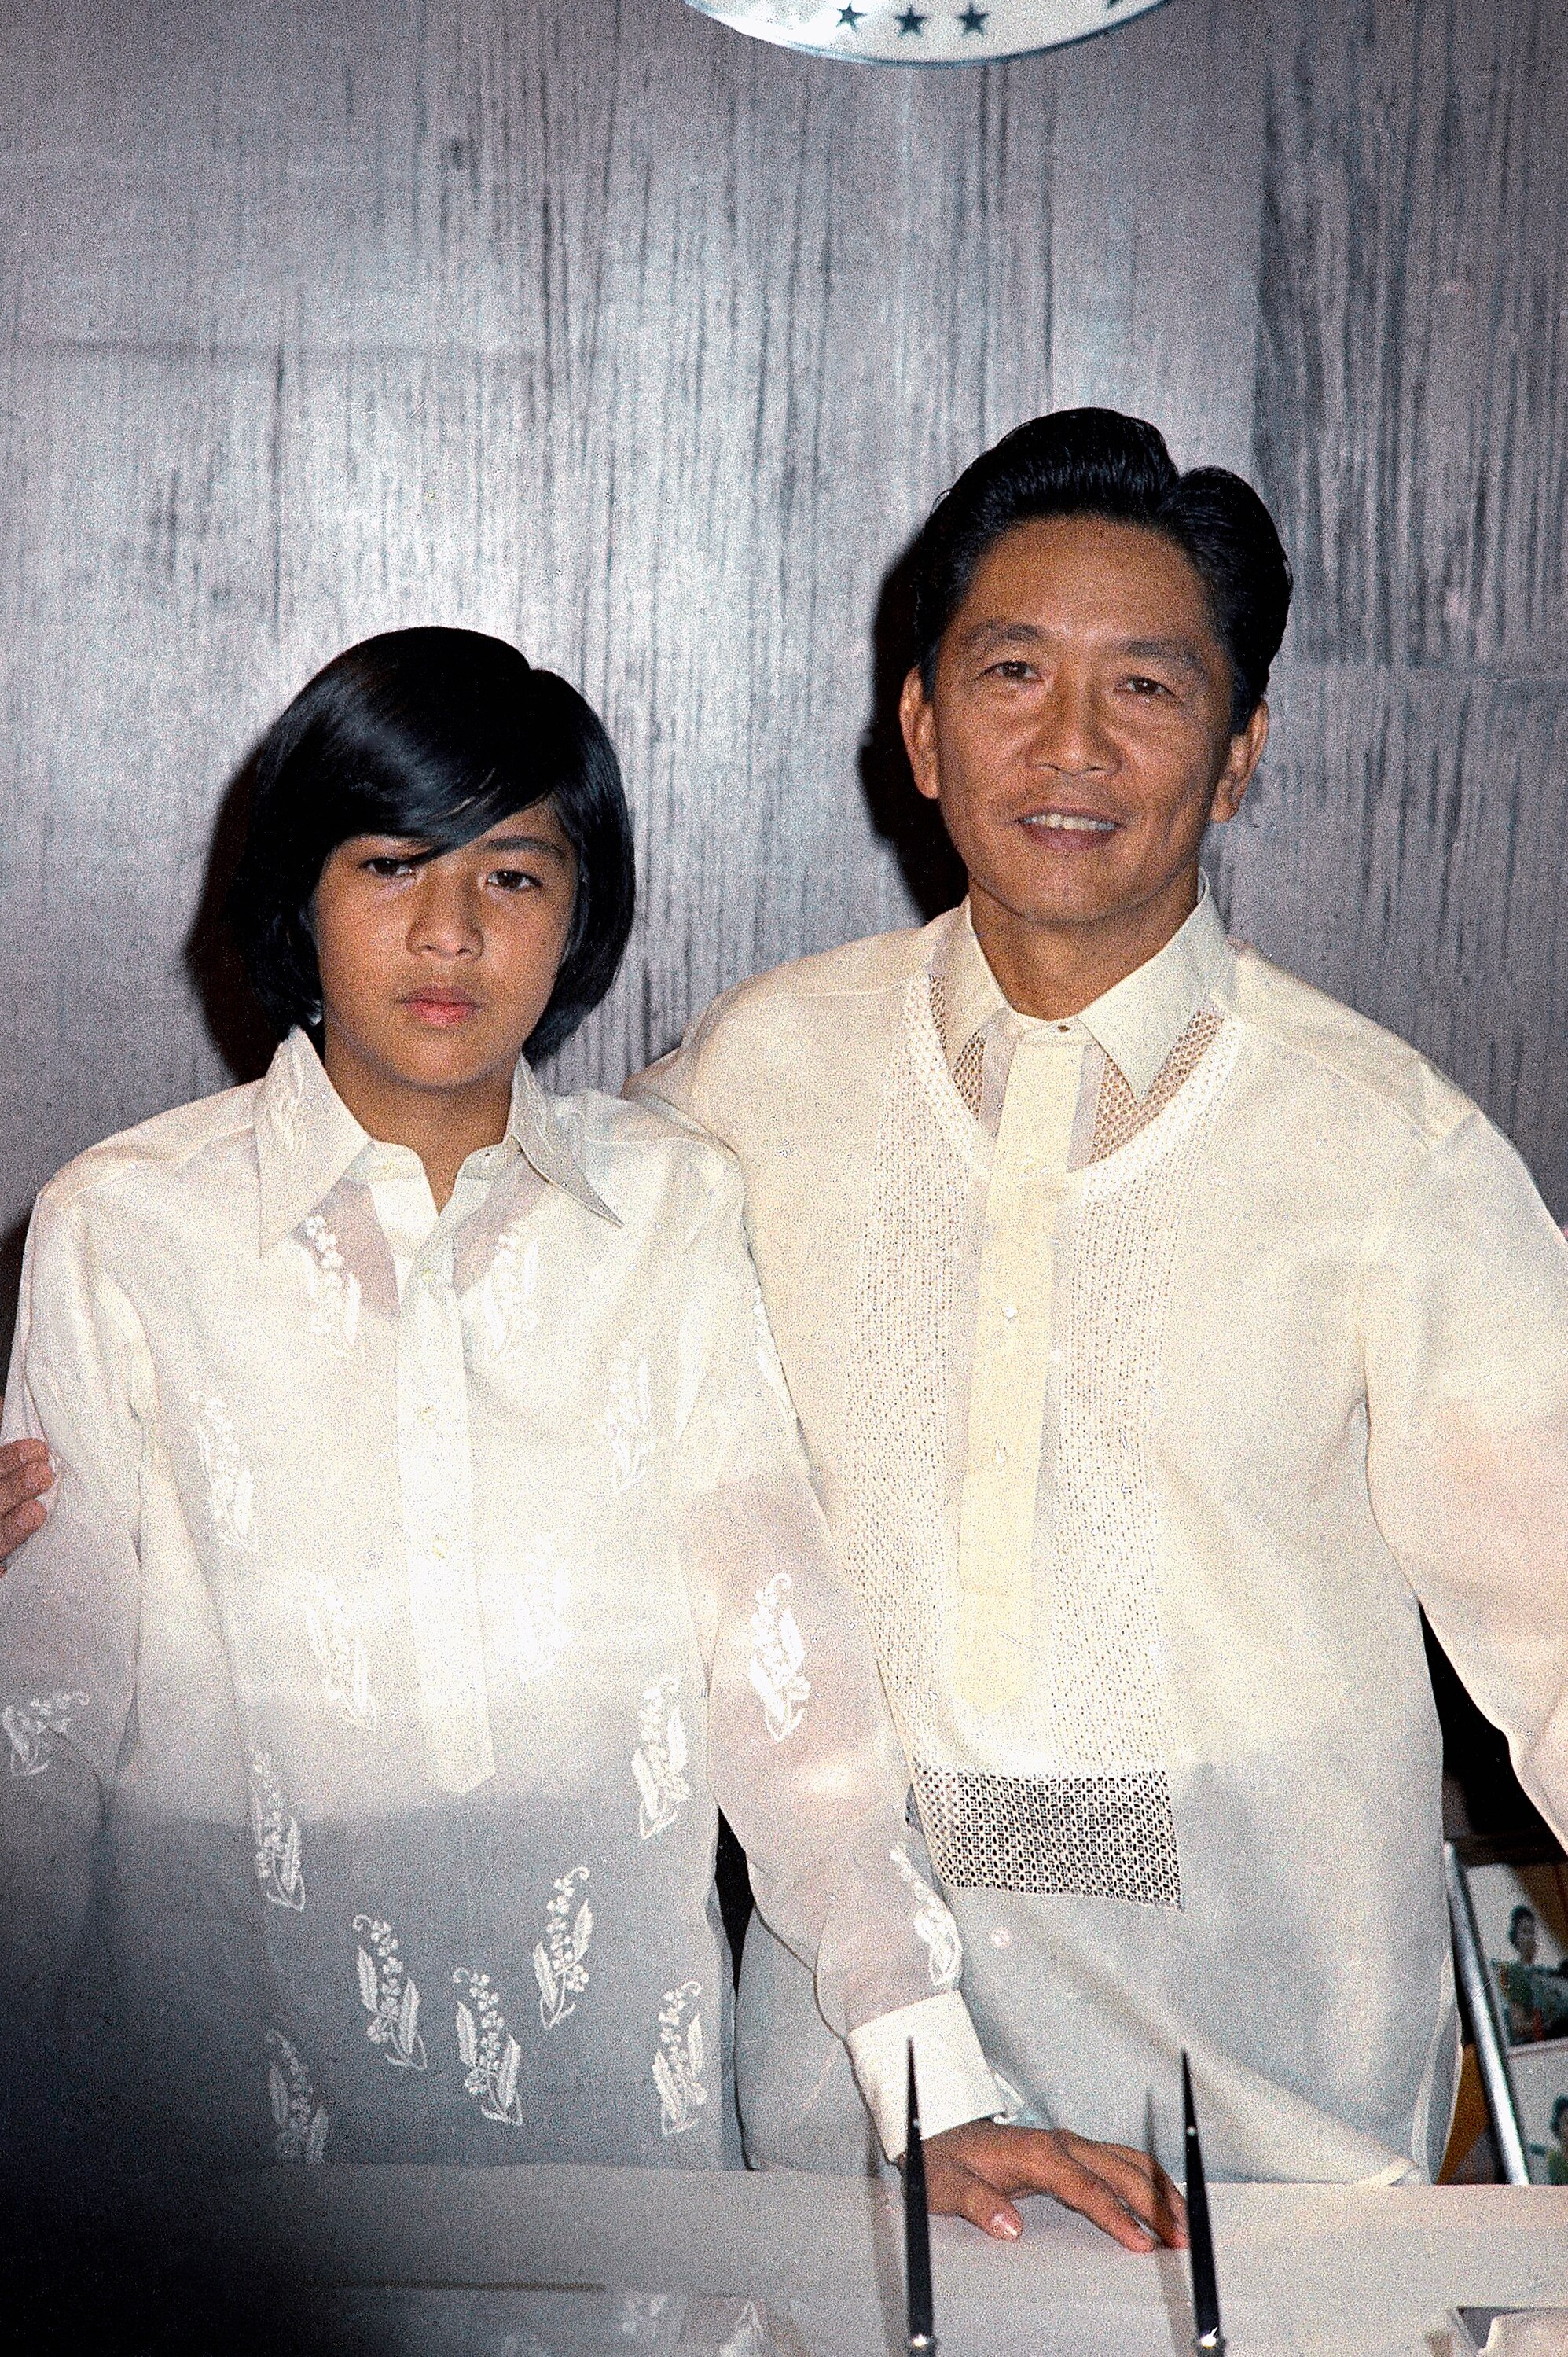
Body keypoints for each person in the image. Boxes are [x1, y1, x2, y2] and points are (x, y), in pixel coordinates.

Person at [0, 627, 1178, 2249]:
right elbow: (37, 1738)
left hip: (608, 2135)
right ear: (300, 894)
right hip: (206, 2152)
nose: (446, 929)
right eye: (389, 861)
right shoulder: (125, 1227)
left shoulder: (666, 1205)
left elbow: (791, 1693)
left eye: (513, 875)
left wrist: (930, 2083)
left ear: (582, 911)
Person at [627, 410, 1568, 2185]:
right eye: (1009, 672)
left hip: (1274, 2118)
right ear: (916, 725)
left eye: (1144, 687)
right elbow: (507, 1363)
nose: (1069, 744)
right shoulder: (754, 1080)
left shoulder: (1385, 1149)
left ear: (1236, 752)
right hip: (858, 2099)